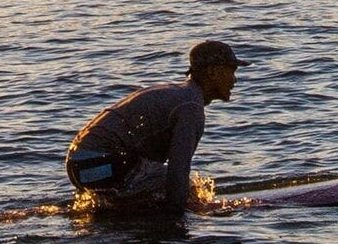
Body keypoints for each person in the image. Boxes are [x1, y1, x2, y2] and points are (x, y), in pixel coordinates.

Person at [66, 39, 241, 212]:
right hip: (100, 165)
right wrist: (180, 215)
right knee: (190, 190)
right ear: (212, 72)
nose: (235, 80)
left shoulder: (178, 94)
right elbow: (178, 171)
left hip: (79, 165)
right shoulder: (190, 108)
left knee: (155, 190)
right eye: (231, 71)